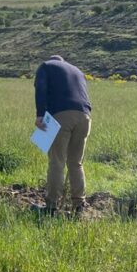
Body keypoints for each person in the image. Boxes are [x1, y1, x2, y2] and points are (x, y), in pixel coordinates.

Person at [34, 54, 92, 215]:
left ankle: (51, 207)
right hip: (85, 117)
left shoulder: (46, 66)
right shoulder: (77, 70)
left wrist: (40, 115)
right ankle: (79, 206)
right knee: (75, 163)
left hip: (61, 116)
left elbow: (41, 88)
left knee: (57, 162)